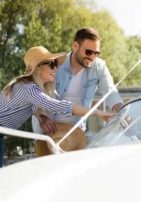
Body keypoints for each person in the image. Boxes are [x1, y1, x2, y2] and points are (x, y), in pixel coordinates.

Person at [0, 45, 116, 183]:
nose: (56, 68)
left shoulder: (30, 87)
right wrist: (98, 113)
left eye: (56, 64)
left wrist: (42, 116)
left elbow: (35, 106)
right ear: (38, 67)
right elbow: (60, 106)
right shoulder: (29, 89)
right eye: (51, 64)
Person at [32, 27, 123, 156]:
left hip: (76, 135)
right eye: (89, 52)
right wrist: (41, 116)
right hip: (47, 131)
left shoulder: (99, 67)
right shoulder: (55, 64)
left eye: (96, 53)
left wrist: (121, 111)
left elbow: (110, 92)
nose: (92, 57)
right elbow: (34, 92)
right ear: (75, 45)